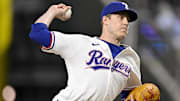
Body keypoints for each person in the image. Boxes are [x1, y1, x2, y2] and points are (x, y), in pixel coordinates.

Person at [29, 2, 142, 101]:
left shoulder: (131, 57)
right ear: (106, 20)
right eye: (121, 17)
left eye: (128, 19)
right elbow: (37, 33)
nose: (126, 23)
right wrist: (52, 11)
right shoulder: (81, 43)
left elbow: (131, 94)